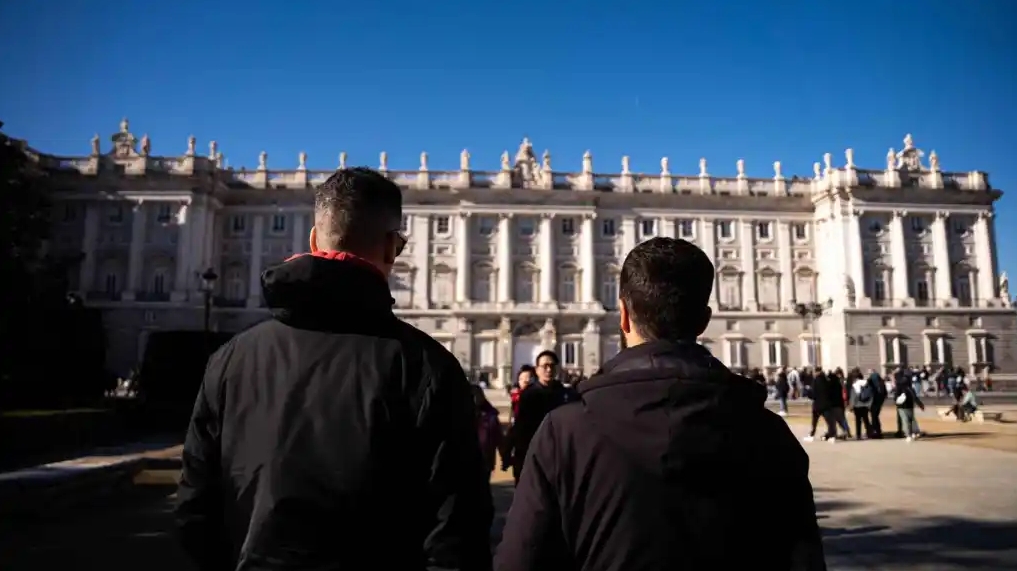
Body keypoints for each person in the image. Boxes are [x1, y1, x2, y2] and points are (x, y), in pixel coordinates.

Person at [175, 168, 493, 571]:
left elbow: (193, 508)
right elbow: (456, 534)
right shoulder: (428, 367)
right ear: (393, 248)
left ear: (312, 239)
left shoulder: (229, 358)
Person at [495, 237, 826, 571]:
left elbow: (521, 560)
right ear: (704, 320)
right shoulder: (768, 432)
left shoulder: (564, 432)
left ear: (623, 315)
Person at [501, 351, 572, 484]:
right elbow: (519, 426)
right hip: (533, 454)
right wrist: (509, 452)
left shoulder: (566, 394)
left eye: (552, 366)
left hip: (559, 455)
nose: (549, 369)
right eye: (545, 366)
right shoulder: (528, 395)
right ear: (537, 369)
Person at [473, 385, 504, 475]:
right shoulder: (460, 415)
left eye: (477, 395)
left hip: (485, 461)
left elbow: (499, 438)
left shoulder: (490, 416)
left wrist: (504, 457)